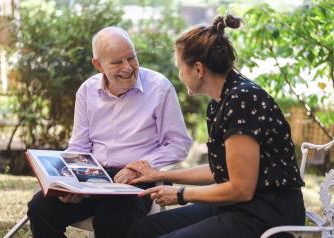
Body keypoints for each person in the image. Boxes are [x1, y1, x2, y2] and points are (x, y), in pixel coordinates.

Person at [125, 15, 305, 238]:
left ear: (198, 69)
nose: (180, 75)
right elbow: (218, 170)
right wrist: (157, 174)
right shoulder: (220, 102)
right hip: (237, 206)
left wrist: (181, 195)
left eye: (181, 68)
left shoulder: (242, 100)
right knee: (143, 230)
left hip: (266, 212)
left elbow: (241, 188)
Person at [27, 27, 192, 238]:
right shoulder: (87, 91)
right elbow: (78, 146)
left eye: (131, 58)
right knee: (40, 208)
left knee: (111, 222)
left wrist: (140, 167)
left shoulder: (160, 87)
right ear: (98, 65)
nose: (128, 68)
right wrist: (69, 182)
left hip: (140, 181)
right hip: (94, 177)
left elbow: (179, 144)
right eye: (116, 62)